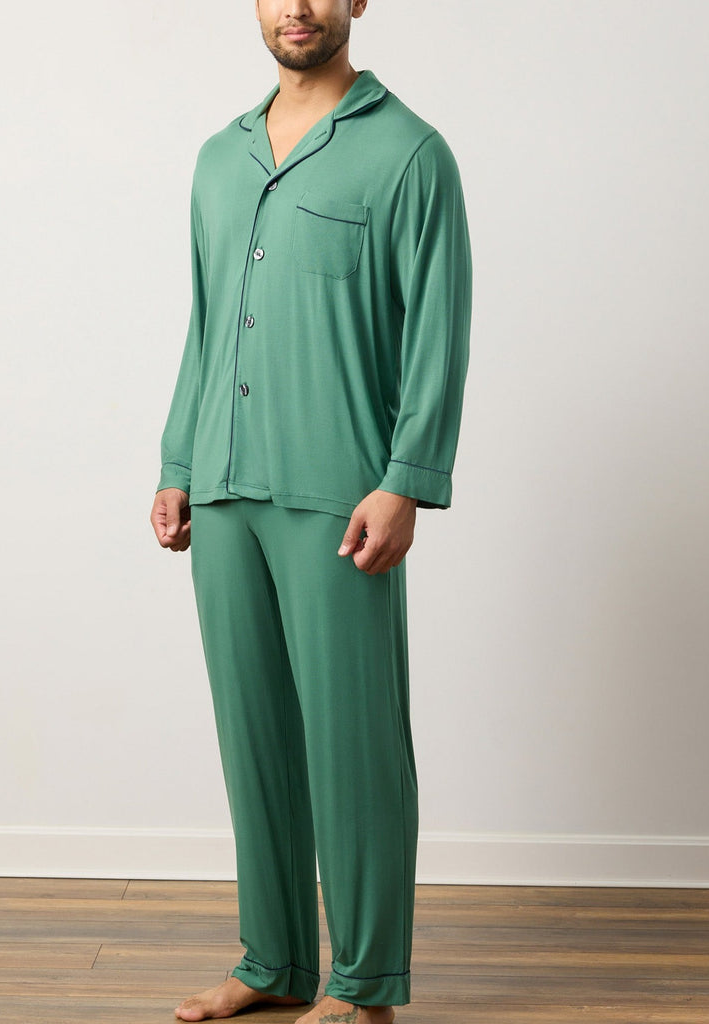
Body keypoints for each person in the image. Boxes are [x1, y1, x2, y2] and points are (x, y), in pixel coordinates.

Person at [150, 2, 471, 1021]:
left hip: (342, 494)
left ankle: (365, 986)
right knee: (254, 738)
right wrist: (176, 460)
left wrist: (406, 479)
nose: (297, 6)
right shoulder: (218, 158)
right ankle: (274, 960)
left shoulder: (410, 155)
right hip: (221, 485)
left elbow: (439, 329)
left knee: (353, 741)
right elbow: (207, 324)